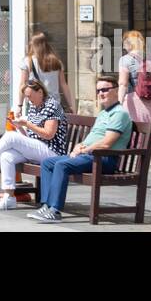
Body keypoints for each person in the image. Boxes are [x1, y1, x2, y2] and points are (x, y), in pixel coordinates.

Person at [29, 73, 133, 224]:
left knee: (61, 165)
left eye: (105, 90)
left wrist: (85, 149)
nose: (101, 94)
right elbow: (94, 137)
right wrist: (79, 146)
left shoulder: (119, 114)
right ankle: (46, 206)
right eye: (98, 91)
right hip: (91, 155)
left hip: (104, 159)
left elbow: (106, 143)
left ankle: (55, 210)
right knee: (48, 163)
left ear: (116, 90)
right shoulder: (104, 113)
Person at [0, 80, 70, 210]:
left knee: (10, 136)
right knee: (6, 155)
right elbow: (29, 137)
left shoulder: (52, 105)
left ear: (40, 92)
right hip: (37, 149)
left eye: (30, 96)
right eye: (26, 96)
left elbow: (48, 134)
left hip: (52, 152)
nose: (28, 99)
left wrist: (27, 124)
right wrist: (19, 127)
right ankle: (9, 197)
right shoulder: (33, 106)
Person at [118, 29, 151, 192]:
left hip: (135, 103)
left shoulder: (125, 60)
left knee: (127, 138)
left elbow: (123, 84)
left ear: (127, 43)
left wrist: (119, 104)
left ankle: (123, 173)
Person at [18, 31, 73, 116]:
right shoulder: (56, 62)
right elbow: (63, 85)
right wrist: (71, 105)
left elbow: (22, 84)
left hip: (35, 104)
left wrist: (20, 105)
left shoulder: (27, 61)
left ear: (33, 44)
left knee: (36, 128)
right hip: (54, 104)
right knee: (53, 128)